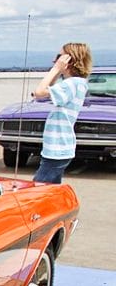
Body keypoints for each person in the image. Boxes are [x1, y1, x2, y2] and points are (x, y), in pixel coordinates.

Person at [31, 43, 92, 183]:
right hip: (59, 147)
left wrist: (55, 69)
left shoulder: (72, 84)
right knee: (52, 188)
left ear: (70, 60)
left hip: (57, 148)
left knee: (39, 187)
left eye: (59, 57)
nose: (55, 60)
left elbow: (39, 92)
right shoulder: (77, 83)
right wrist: (58, 71)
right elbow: (48, 88)